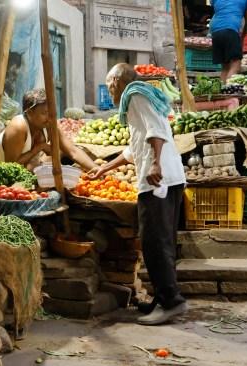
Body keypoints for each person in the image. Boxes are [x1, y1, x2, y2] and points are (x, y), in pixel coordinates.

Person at [91, 64, 187, 325]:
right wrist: (104, 168)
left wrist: (156, 163)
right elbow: (134, 149)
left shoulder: (135, 94)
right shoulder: (139, 97)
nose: (109, 89)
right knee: (161, 241)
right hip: (167, 176)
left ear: (119, 81)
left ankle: (171, 302)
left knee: (154, 243)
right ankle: (163, 297)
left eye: (110, 83)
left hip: (158, 179)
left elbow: (156, 130)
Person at [0, 88, 97, 171]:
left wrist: (97, 168)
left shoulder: (50, 124)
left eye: (52, 112)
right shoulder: (18, 127)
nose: (50, 117)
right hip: (0, 181)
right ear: (30, 112)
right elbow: (11, 167)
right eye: (44, 113)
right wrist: (38, 148)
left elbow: (73, 151)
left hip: (25, 174)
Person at [210, 0, 247, 83]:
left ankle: (222, 91)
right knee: (236, 65)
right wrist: (242, 36)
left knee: (225, 67)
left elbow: (216, 9)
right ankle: (229, 92)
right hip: (230, 29)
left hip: (215, 31)